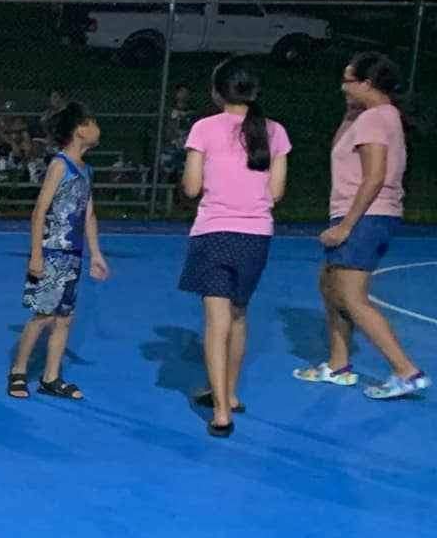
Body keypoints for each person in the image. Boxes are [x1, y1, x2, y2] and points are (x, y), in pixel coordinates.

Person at [296, 51, 425, 400]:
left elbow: (375, 176)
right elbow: (338, 149)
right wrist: (350, 111)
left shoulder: (375, 120)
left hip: (365, 215)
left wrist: (346, 226)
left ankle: (406, 370)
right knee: (329, 285)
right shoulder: (374, 116)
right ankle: (338, 364)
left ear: (367, 83)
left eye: (349, 80)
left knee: (352, 297)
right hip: (366, 214)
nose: (342, 87)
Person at [178, 60, 289, 436]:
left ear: (216, 92)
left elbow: (192, 188)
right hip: (256, 236)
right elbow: (276, 192)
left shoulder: (204, 129)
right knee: (239, 315)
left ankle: (220, 410)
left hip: (214, 232)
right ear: (255, 92)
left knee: (216, 322)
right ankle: (231, 393)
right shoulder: (274, 132)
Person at [9, 102, 109, 399]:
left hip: (73, 255)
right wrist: (37, 254)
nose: (97, 128)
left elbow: (88, 214)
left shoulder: (86, 170)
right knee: (42, 315)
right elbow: (39, 211)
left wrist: (96, 254)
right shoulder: (59, 165)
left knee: (64, 317)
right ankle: (18, 371)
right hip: (53, 252)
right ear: (81, 129)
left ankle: (51, 377)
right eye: (93, 122)